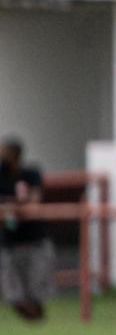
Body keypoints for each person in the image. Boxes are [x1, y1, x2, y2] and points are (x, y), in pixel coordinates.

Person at [0, 137, 51, 321]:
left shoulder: (30, 173)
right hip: (9, 240)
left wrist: (12, 206)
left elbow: (34, 201)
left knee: (36, 284)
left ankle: (36, 313)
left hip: (34, 237)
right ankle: (26, 312)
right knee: (12, 287)